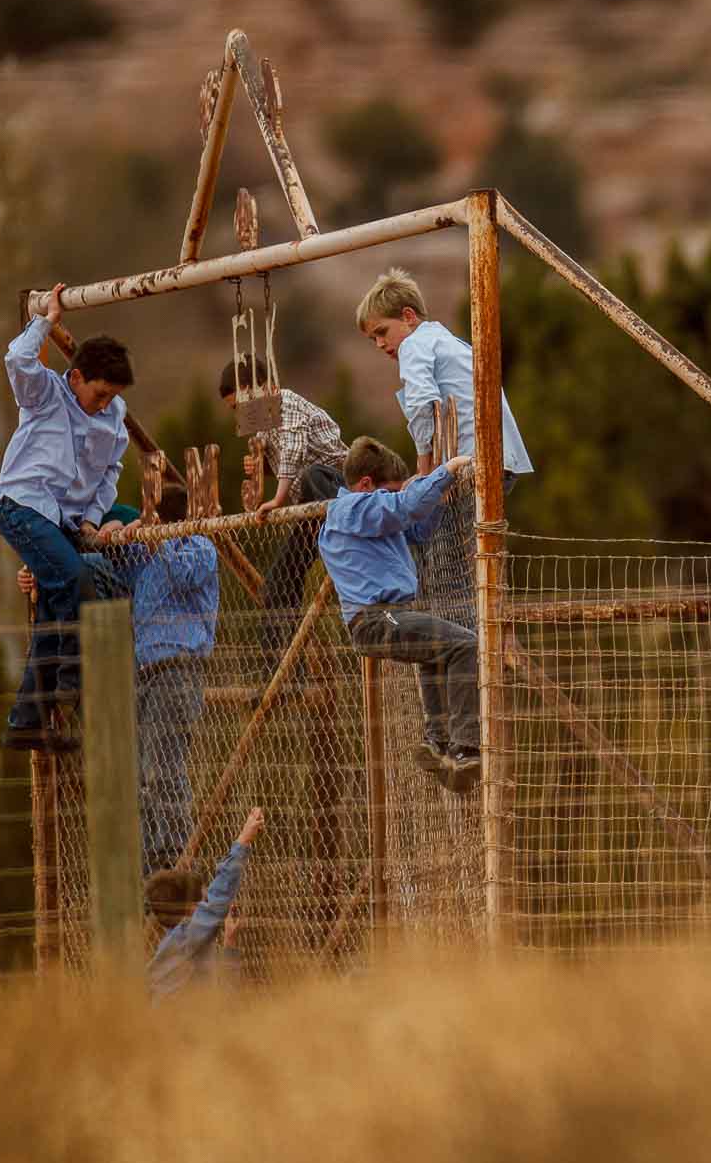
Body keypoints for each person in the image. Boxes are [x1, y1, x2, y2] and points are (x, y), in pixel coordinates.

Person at [0, 282, 132, 752]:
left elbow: (110, 471)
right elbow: (17, 361)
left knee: (56, 596)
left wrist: (92, 517)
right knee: (73, 579)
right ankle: (72, 679)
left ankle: (27, 718)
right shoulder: (45, 394)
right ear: (76, 378)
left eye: (113, 395)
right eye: (99, 393)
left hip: (62, 522)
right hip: (22, 504)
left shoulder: (113, 417)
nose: (105, 403)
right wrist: (47, 321)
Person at [354, 266, 532, 626]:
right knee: (461, 563)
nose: (380, 344)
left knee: (446, 571)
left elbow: (422, 405)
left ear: (408, 317)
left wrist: (424, 476)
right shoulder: (445, 340)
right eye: (372, 339)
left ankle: (460, 650)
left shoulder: (416, 344)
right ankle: (474, 641)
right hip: (495, 457)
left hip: (469, 465)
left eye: (382, 332)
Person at [319, 437, 481, 791]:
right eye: (387, 492)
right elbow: (405, 507)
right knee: (465, 645)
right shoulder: (352, 510)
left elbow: (417, 528)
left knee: (438, 653)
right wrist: (447, 471)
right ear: (365, 485)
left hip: (384, 616)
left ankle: (437, 745)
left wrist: (437, 500)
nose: (392, 498)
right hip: (377, 617)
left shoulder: (371, 516)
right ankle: (466, 748)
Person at [101, 484, 219, 875]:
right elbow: (110, 557)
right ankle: (151, 864)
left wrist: (158, 542)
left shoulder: (200, 546)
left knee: (164, 767)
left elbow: (186, 574)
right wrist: (117, 528)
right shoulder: (145, 554)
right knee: (140, 774)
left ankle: (174, 858)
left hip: (178, 668)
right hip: (144, 670)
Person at [220, 356, 349, 655]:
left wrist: (277, 500)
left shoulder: (285, 402)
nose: (239, 413)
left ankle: (346, 543)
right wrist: (261, 466)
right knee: (279, 581)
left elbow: (293, 451)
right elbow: (284, 465)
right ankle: (282, 667)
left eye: (239, 405)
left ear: (261, 388)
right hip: (309, 505)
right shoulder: (264, 424)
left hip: (335, 491)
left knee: (313, 476)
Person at [145, 807, 261, 1000]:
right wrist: (243, 840)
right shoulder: (185, 937)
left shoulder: (180, 949)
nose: (207, 902)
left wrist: (230, 944)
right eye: (203, 900)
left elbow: (222, 1004)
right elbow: (220, 896)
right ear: (192, 909)